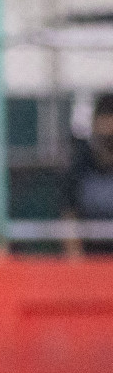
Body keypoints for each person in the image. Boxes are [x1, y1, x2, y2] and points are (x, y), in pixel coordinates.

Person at [62, 94, 113, 257]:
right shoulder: (80, 165)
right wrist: (76, 257)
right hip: (90, 256)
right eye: (104, 120)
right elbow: (69, 214)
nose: (108, 132)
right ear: (94, 123)